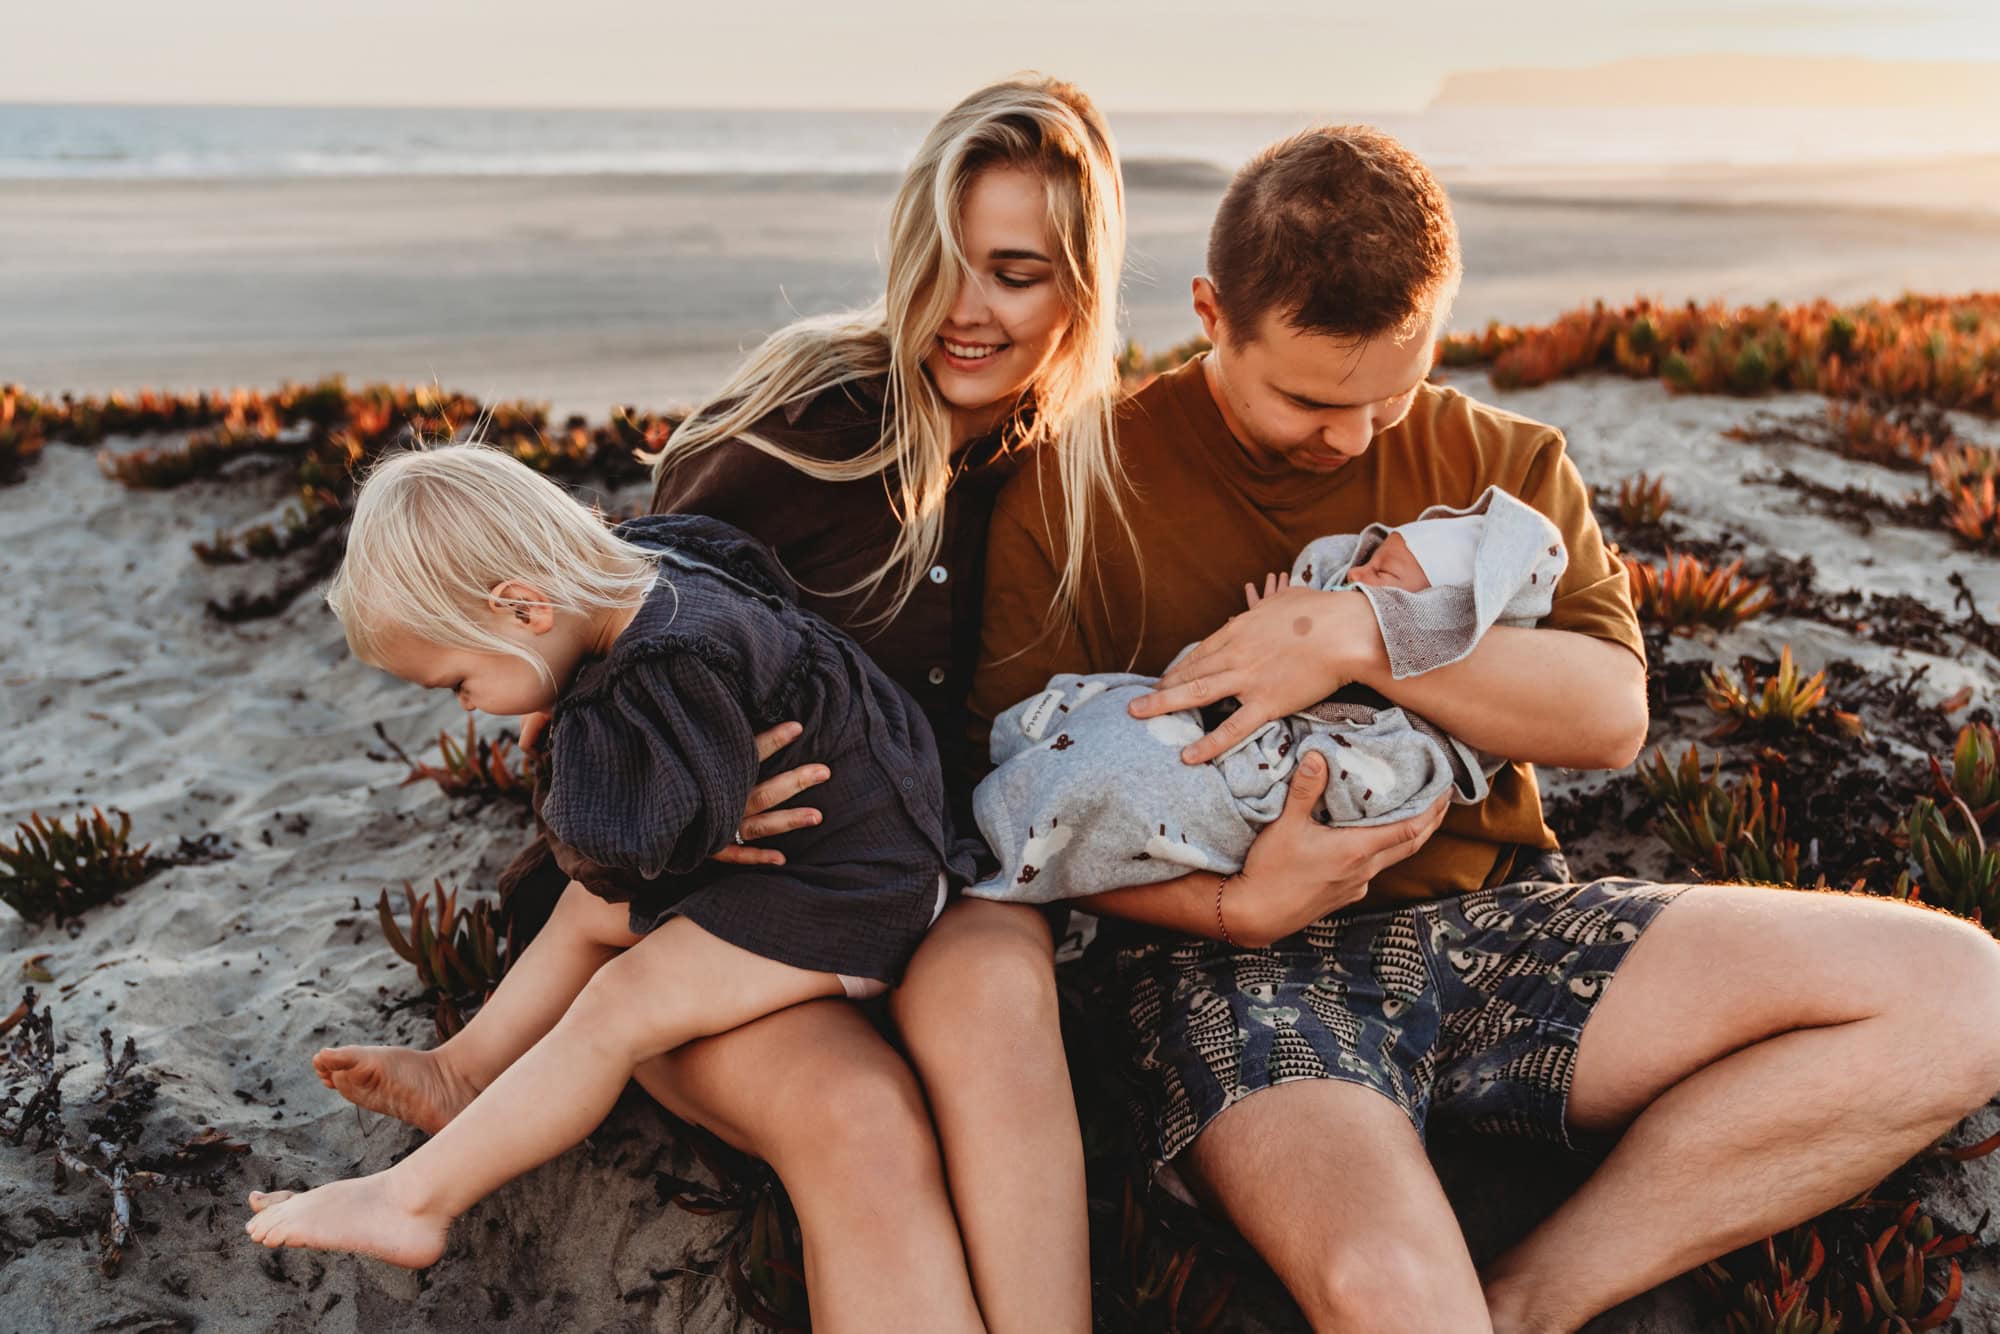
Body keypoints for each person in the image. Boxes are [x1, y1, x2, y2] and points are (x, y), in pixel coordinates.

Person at [970, 124, 2000, 1333]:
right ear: (1210, 312)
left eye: (1389, 394)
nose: (1353, 438)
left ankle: (1528, 1300)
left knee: (1960, 997)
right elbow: (1019, 822)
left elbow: (1608, 715)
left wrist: (1364, 636)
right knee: (1389, 1296)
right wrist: (1232, 906)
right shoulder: (1074, 483)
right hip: (1226, 967)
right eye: (1305, 396)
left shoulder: (1501, 458)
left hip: (1498, 919)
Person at [244, 445, 970, 1272]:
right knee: (588, 914)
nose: (471, 706)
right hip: (866, 834)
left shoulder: (657, 668)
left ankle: (414, 1201)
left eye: (457, 683)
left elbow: (614, 847)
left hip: (855, 889)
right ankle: (464, 1070)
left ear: (524, 610)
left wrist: (579, 744)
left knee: (617, 1007)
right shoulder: (656, 571)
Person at [968, 489, 1567, 904]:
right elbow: (1218, 673)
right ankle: (1031, 772)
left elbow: (1350, 783)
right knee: (1119, 708)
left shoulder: (1418, 733)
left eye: (1383, 576)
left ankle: (1030, 817)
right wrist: (1272, 634)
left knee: (1117, 774)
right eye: (1368, 563)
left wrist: (1297, 707)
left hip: (1253, 787)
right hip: (1208, 724)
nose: (1356, 577)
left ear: (1437, 617)